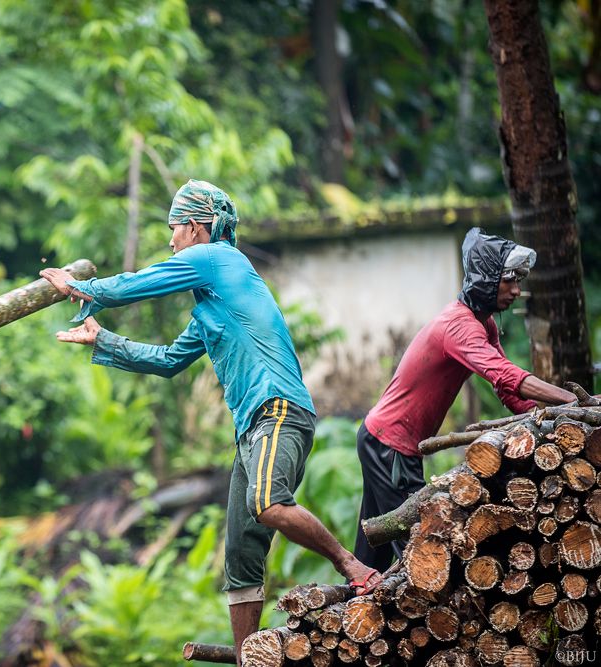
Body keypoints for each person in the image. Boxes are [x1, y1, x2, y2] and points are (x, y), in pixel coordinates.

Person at [40, 179, 381, 661]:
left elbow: (142, 282)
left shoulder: (219, 258)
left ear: (196, 228)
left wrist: (79, 287)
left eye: (174, 229)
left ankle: (353, 567)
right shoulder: (209, 309)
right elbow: (166, 361)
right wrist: (104, 341)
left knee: (267, 501)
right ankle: (249, 657)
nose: (171, 239)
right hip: (253, 427)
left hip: (278, 408)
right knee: (241, 557)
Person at [353, 227, 577, 572]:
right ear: (487, 279)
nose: (517, 290)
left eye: (518, 281)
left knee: (375, 550)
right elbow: (506, 375)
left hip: (384, 439)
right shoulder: (459, 327)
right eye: (509, 281)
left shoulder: (482, 323)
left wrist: (546, 419)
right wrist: (574, 402)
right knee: (420, 545)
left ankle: (356, 602)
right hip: (390, 444)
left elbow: (507, 389)